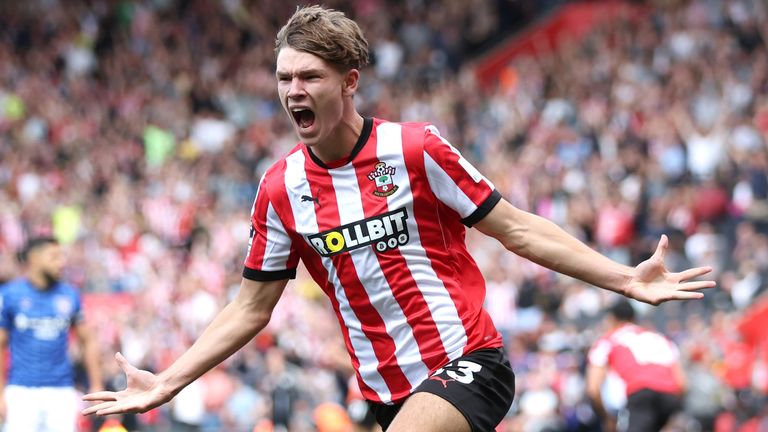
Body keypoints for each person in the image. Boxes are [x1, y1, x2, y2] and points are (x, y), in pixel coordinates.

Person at [82, 6, 715, 432]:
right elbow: (251, 308)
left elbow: (517, 228)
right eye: (283, 78)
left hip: (467, 362)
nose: (292, 90)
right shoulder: (280, 189)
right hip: (384, 396)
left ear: (349, 81)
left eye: (309, 76)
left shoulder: (415, 150)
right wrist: (167, 380)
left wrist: (624, 279)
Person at [0, 236, 103, 432]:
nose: (61, 262)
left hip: (61, 391)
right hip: (21, 392)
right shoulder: (10, 295)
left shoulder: (69, 295)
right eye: (54, 256)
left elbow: (88, 340)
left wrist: (96, 384)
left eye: (62, 256)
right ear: (34, 258)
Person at [585, 299, 686, 432]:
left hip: (640, 395)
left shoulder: (607, 340)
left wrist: (606, 417)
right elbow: (683, 383)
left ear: (612, 319)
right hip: (670, 396)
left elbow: (593, 389)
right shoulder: (659, 338)